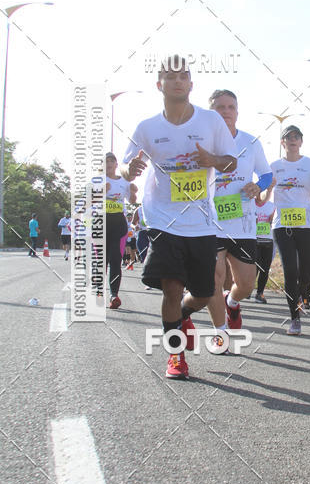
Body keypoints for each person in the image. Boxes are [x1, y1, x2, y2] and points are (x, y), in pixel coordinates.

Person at [121, 57, 237, 379]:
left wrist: (210, 159)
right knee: (171, 289)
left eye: (184, 76)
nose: (178, 81)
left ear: (191, 84)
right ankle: (175, 356)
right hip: (162, 219)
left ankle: (185, 313)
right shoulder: (147, 128)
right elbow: (123, 164)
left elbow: (231, 163)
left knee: (202, 292)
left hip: (200, 221)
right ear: (160, 85)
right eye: (170, 77)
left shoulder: (211, 122)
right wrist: (127, 170)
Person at [205, 89, 271, 334]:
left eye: (230, 107)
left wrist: (258, 186)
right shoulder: (201, 142)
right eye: (220, 107)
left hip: (243, 225)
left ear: (237, 112)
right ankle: (219, 331)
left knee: (245, 285)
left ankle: (231, 303)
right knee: (215, 279)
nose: (225, 111)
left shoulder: (251, 142)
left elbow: (266, 175)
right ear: (210, 112)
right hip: (210, 223)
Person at [271, 125, 310, 335]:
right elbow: (265, 190)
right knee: (290, 271)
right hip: (283, 225)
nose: (293, 140)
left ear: (301, 142)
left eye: (297, 137)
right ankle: (294, 318)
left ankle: (301, 292)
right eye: (288, 137)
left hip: (307, 225)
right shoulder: (274, 166)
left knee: (306, 273)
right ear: (283, 143)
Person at [105, 153, 137, 309]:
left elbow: (132, 200)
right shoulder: (96, 181)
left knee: (115, 260)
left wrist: (132, 191)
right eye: (105, 161)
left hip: (118, 223)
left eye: (111, 161)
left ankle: (114, 295)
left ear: (116, 164)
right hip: (101, 223)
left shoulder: (123, 181)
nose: (108, 164)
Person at [255, 179, 276, 303]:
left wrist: (272, 219)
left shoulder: (272, 206)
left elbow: (274, 221)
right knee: (254, 268)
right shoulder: (250, 204)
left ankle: (260, 293)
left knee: (265, 269)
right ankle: (246, 288)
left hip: (268, 241)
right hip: (254, 240)